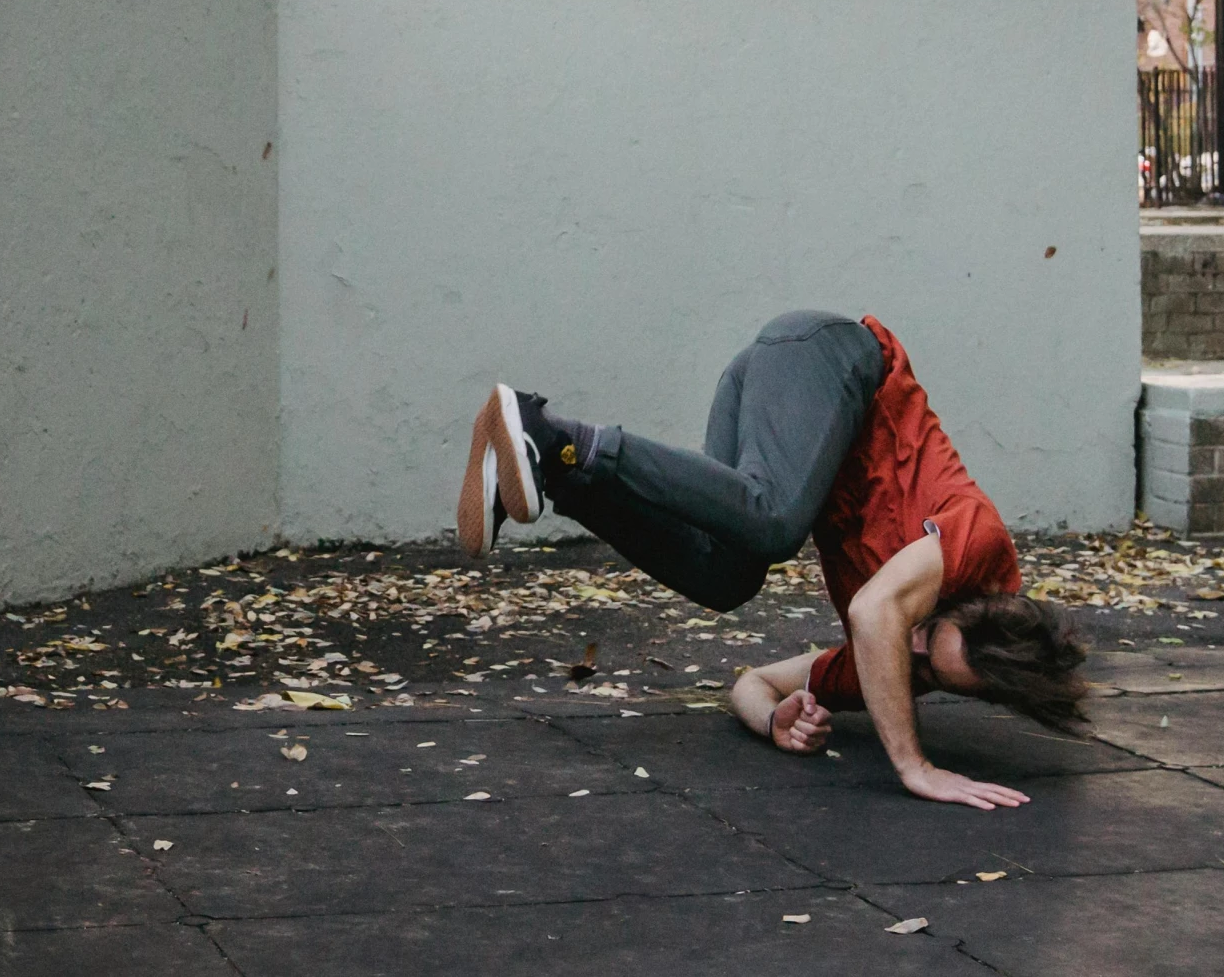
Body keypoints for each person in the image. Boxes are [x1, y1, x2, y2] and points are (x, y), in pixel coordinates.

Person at [458, 309, 1087, 811]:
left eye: (926, 670)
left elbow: (752, 683)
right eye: (926, 634)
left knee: (725, 572)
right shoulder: (978, 547)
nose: (911, 652)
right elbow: (876, 610)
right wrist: (914, 765)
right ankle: (556, 435)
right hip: (826, 357)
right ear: (967, 604)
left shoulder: (897, 664)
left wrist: (776, 722)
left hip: (759, 387)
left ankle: (558, 472)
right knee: (774, 522)